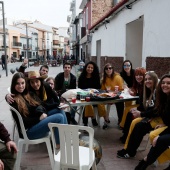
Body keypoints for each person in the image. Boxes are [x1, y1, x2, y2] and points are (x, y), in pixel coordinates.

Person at [10, 72, 66, 148]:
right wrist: (39, 118)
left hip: (36, 123)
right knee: (59, 117)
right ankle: (59, 144)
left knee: (60, 111)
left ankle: (65, 137)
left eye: (22, 83)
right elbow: (23, 122)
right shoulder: (13, 100)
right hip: (28, 132)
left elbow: (41, 105)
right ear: (13, 85)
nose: (21, 86)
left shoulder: (26, 94)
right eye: (17, 84)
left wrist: (57, 105)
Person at [117, 72, 165, 159]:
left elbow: (157, 110)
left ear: (155, 80)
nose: (147, 81)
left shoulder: (158, 92)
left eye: (150, 79)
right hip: (152, 116)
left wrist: (142, 114)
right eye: (146, 79)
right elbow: (144, 106)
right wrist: (137, 110)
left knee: (139, 126)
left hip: (161, 119)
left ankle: (131, 152)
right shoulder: (146, 91)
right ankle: (127, 148)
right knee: (134, 121)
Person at [134, 74, 170, 170]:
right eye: (163, 83)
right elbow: (157, 111)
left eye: (168, 83)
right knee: (158, 139)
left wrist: (160, 135)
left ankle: (145, 161)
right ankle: (145, 162)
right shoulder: (164, 98)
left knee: (159, 139)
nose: (165, 85)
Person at [78, 61, 106, 127]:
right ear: (86, 68)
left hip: (94, 95)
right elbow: (79, 88)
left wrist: (93, 92)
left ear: (94, 69)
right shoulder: (81, 77)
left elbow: (98, 88)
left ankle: (94, 118)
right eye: (88, 67)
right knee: (86, 103)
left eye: (91, 68)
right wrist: (86, 92)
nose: (90, 69)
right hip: (83, 95)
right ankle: (86, 121)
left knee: (98, 102)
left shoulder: (96, 77)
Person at [119, 60, 136, 129]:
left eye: (128, 65)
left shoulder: (134, 72)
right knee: (126, 104)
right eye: (125, 65)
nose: (126, 67)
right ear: (123, 67)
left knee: (128, 107)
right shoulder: (122, 74)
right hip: (127, 90)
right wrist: (127, 88)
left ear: (131, 66)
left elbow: (136, 83)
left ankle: (125, 121)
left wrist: (132, 89)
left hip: (135, 89)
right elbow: (122, 83)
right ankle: (124, 121)